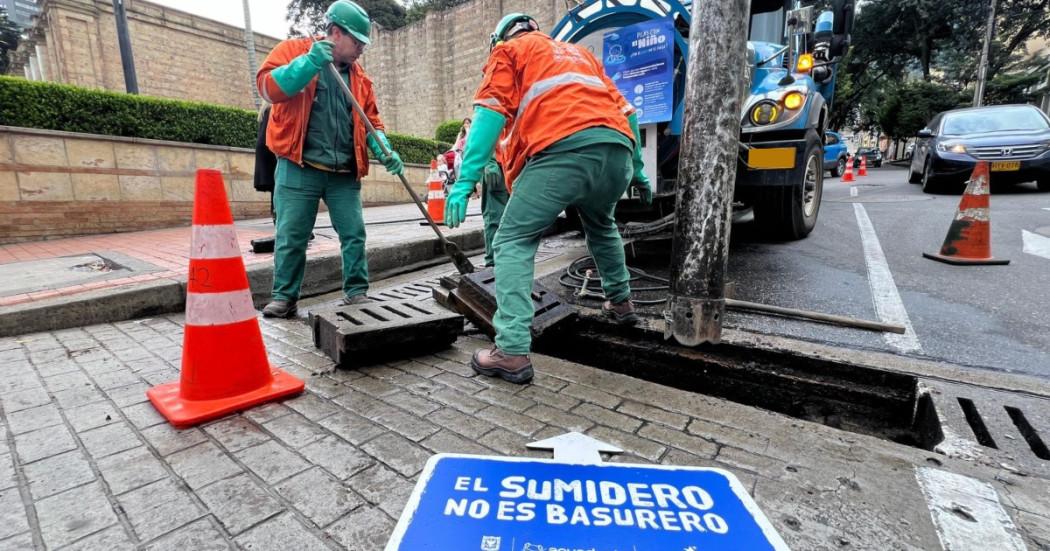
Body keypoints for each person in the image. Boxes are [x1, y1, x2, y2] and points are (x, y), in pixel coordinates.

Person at [443, 13, 653, 384]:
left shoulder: (509, 51)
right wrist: (638, 172)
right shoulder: (579, 55)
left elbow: (489, 112)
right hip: (616, 153)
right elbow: (628, 113)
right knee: (602, 226)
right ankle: (621, 303)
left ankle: (510, 351)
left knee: (512, 240)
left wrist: (464, 182)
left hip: (563, 152)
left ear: (499, 39)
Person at [256, 0, 403, 318]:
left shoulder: (361, 78)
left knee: (353, 234)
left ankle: (356, 292)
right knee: (291, 236)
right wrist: (308, 63)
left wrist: (385, 149)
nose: (362, 48)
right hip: (299, 167)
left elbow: (371, 123)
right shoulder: (294, 51)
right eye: (358, 41)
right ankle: (284, 296)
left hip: (343, 174)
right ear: (336, 33)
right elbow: (268, 89)